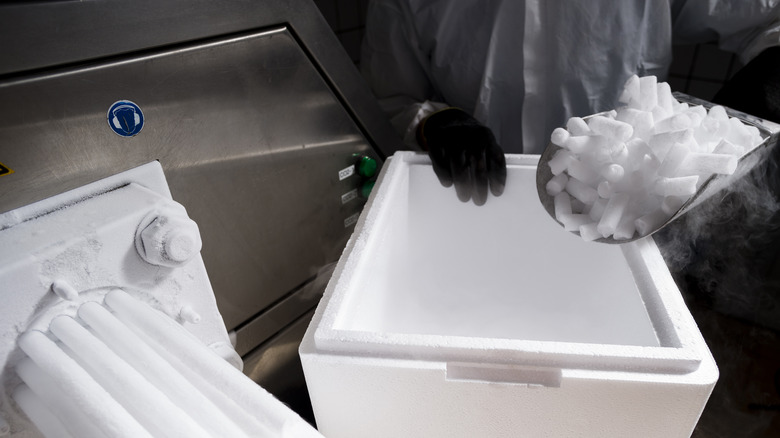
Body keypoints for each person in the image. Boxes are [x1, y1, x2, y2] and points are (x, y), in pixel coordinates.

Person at [360, 0, 780, 205]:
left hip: (619, 214)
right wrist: (436, 123)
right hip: (472, 205)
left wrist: (765, 84)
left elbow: (768, 19)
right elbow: (390, 98)